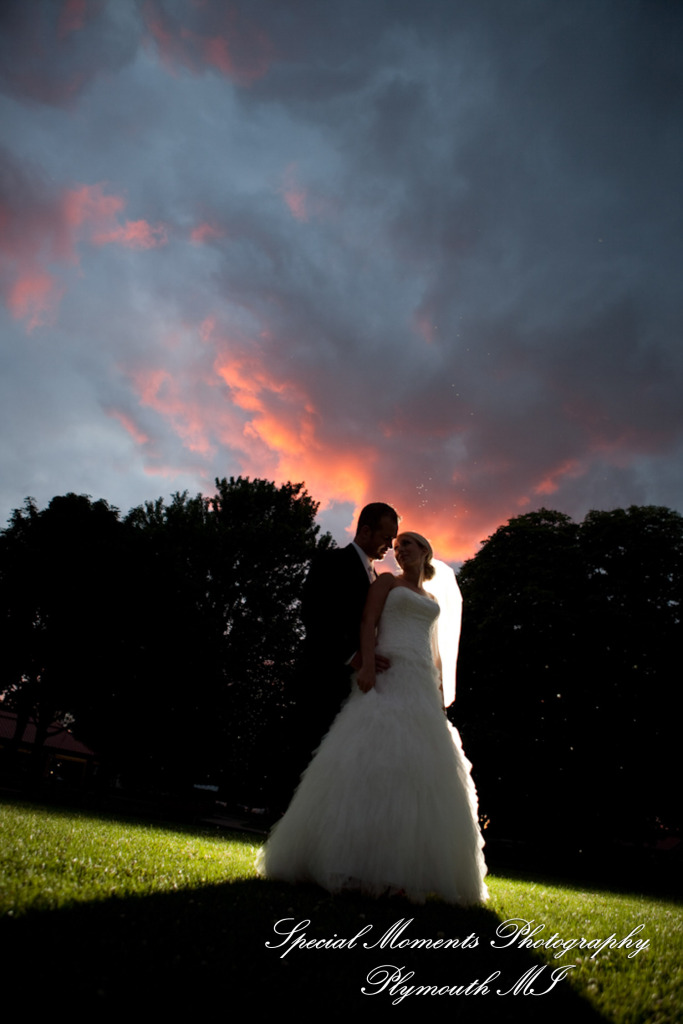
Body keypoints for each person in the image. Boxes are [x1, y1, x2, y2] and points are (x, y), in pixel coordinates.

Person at [257, 531, 488, 905]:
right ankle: (348, 862)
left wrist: (439, 685)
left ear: (425, 551)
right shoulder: (385, 583)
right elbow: (368, 621)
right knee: (370, 755)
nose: (399, 551)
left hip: (420, 681)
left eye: (407, 545)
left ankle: (405, 872)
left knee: (418, 770)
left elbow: (434, 646)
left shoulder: (432, 598)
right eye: (396, 548)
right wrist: (365, 665)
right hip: (386, 670)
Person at [295, 501, 399, 757]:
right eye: (387, 537)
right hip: (324, 678)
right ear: (365, 531)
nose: (391, 546)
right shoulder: (331, 561)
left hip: (358, 688)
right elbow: (313, 614)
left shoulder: (375, 577)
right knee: (311, 757)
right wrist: (354, 656)